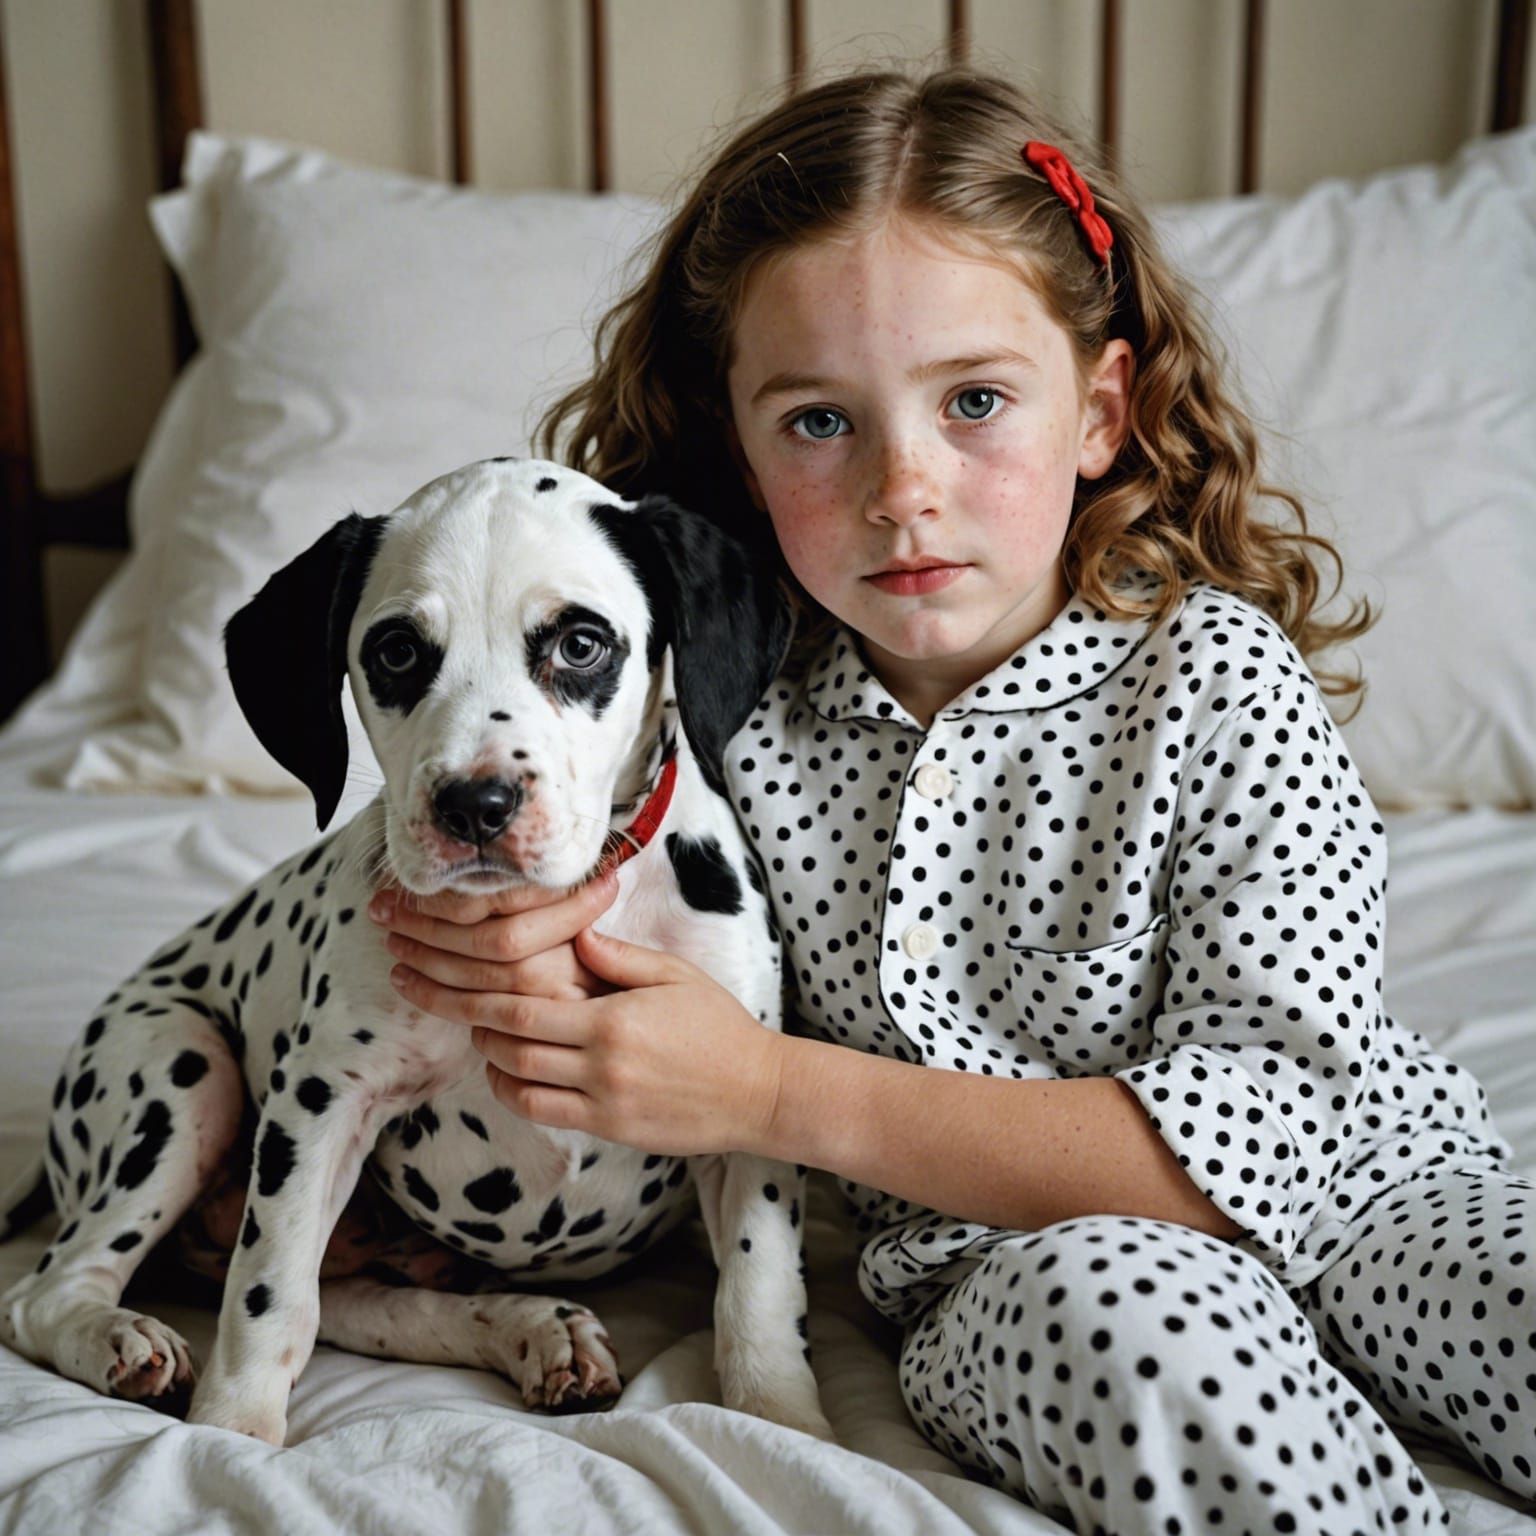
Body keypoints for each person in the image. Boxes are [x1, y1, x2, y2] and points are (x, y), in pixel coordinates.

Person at [365, 63, 1533, 1535]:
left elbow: (1271, 1138)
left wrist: (771, 1092)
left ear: (1100, 410)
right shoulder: (703, 719)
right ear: (737, 448)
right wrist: (486, 960)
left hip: (1382, 1192)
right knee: (1140, 1337)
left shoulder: (1218, 680)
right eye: (818, 421)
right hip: (1002, 1268)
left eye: (974, 401)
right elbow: (515, 854)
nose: (901, 486)